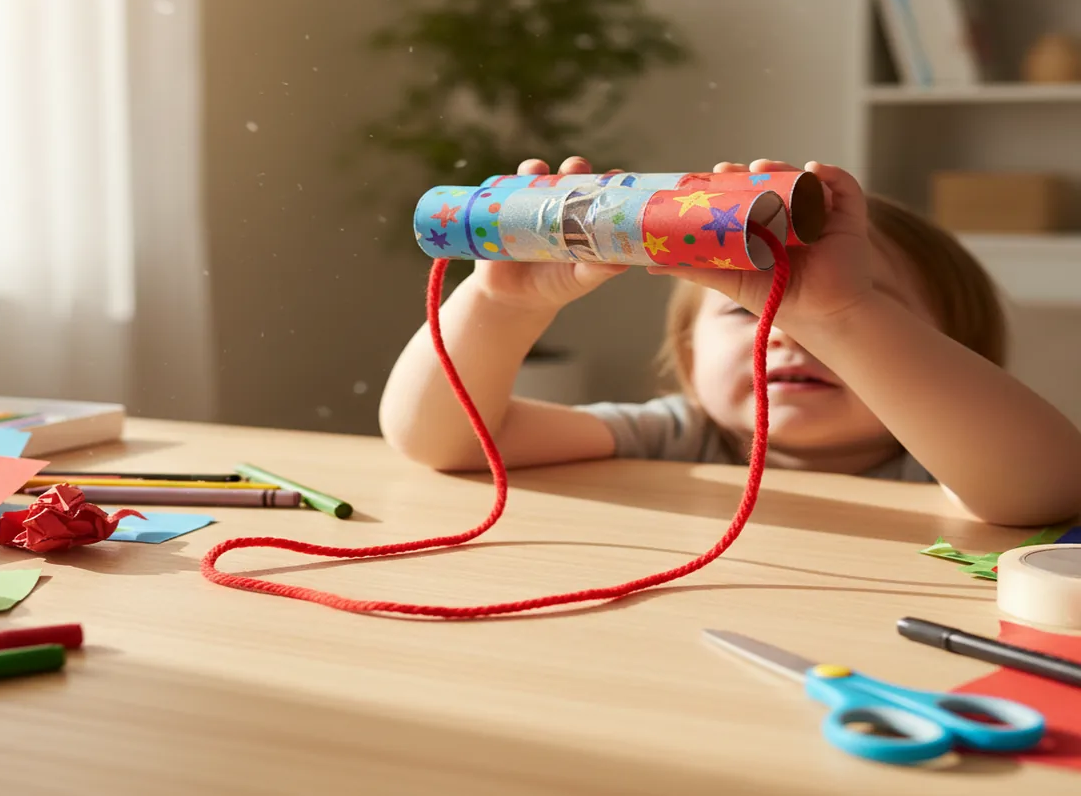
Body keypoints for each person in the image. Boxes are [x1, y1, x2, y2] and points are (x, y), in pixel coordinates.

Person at [379, 156, 1081, 527]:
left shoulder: (946, 458)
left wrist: (841, 313)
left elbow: (1046, 489)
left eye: (865, 315)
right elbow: (446, 442)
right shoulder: (675, 436)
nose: (786, 331)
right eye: (745, 312)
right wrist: (500, 305)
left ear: (949, 357)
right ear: (688, 357)